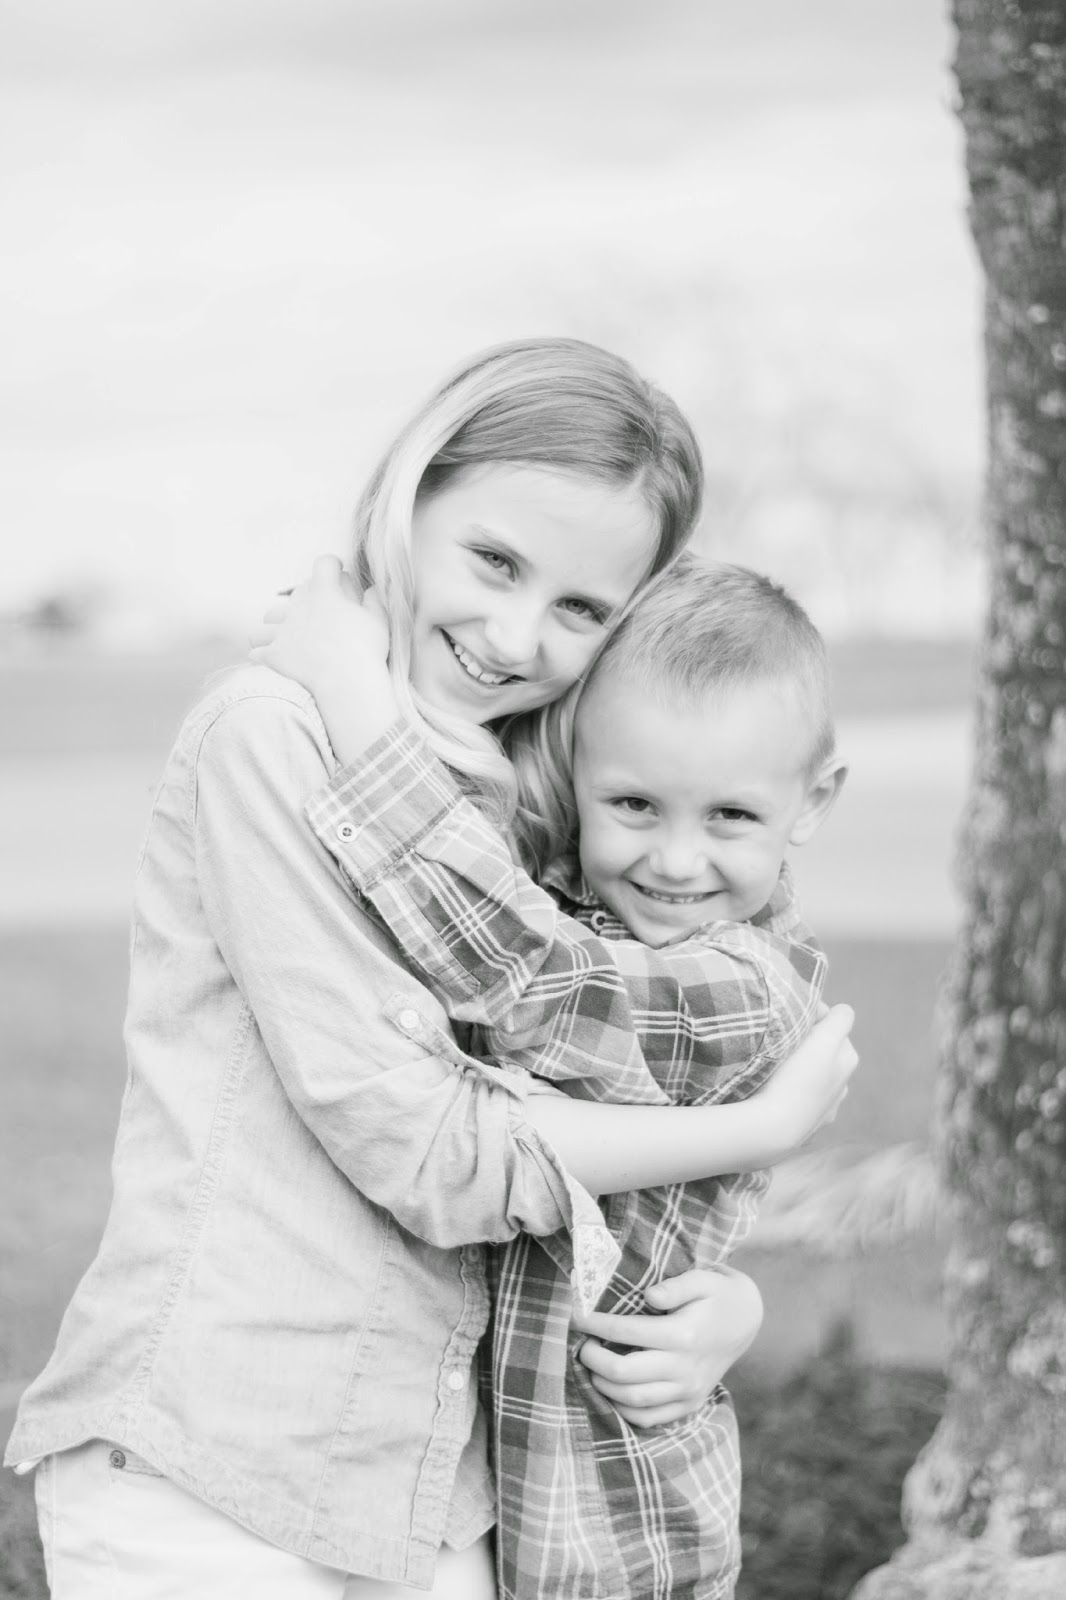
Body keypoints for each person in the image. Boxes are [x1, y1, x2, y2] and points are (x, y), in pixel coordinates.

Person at [5, 339, 856, 1600]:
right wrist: (758, 1127)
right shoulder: (278, 733)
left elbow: (625, 1065)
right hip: (222, 1468)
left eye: (581, 610)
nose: (515, 635)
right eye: (494, 560)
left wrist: (720, 1298)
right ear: (411, 497)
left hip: (444, 1489)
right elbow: (432, 1153)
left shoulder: (543, 786)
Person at [253, 555, 849, 1599]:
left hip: (616, 1518)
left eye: (730, 817)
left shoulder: (744, 989)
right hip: (484, 1495)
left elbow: (521, 970)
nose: (676, 860)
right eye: (634, 804)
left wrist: (353, 700)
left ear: (814, 801)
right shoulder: (579, 907)